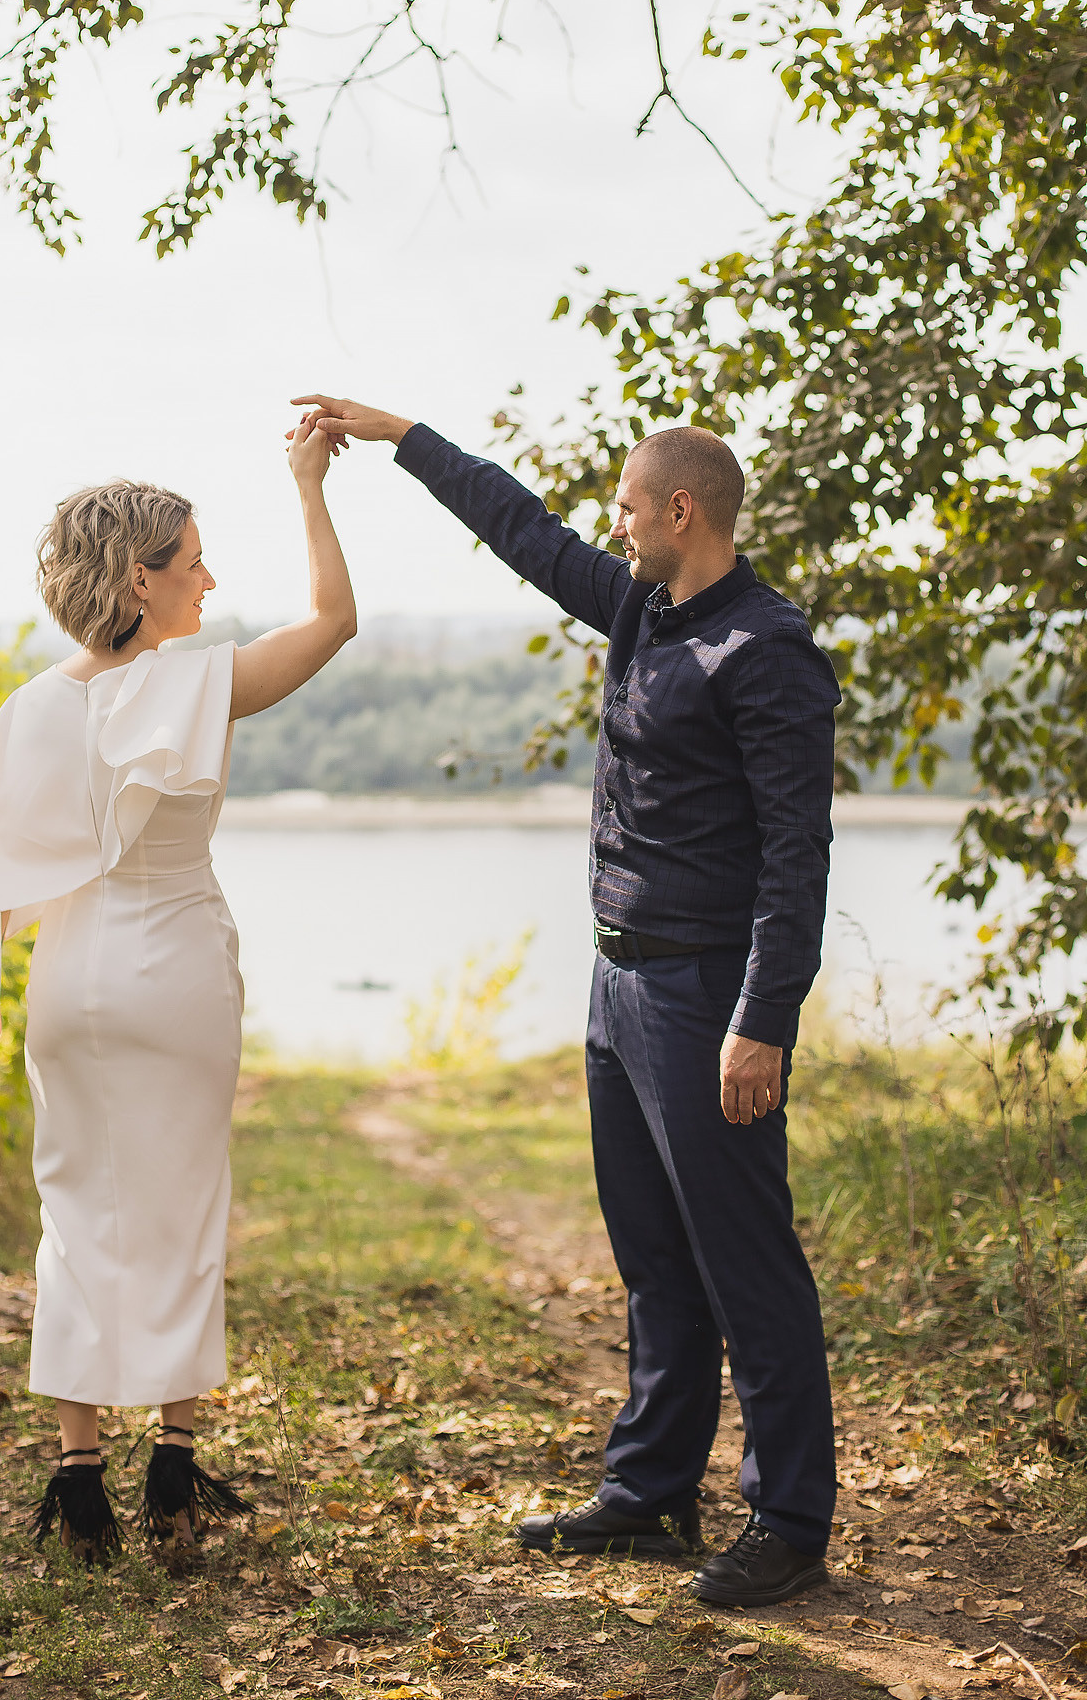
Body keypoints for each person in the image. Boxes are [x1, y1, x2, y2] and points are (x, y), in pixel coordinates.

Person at [289, 395, 841, 1609]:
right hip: (618, 981)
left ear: (679, 511)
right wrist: (403, 439)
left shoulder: (765, 651)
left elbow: (797, 853)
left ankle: (791, 1517)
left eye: (630, 504)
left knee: (747, 1264)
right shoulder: (643, 605)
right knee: (652, 1257)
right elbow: (523, 531)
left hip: (706, 999)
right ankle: (649, 1495)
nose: (615, 521)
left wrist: (763, 1019)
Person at [0, 419, 356, 1561]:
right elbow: (334, 623)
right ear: (140, 579)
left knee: (77, 1217)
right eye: (192, 560)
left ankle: (79, 1478)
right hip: (181, 969)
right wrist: (307, 484)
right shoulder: (199, 683)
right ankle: (175, 1474)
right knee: (180, 1211)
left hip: (75, 986)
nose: (208, 577)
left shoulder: (35, 710)